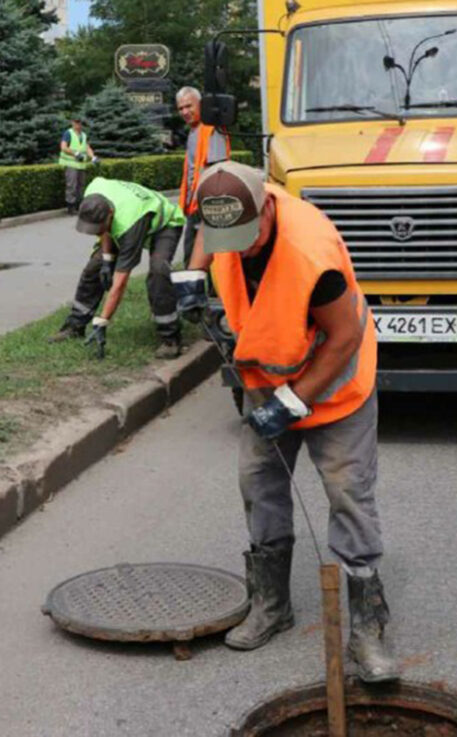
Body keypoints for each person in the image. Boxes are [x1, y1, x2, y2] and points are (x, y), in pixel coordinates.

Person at [171, 161, 399, 683]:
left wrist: (293, 403)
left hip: (334, 386)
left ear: (268, 206)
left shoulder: (311, 254)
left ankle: (368, 627)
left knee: (346, 491)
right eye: (230, 238)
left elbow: (345, 337)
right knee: (257, 482)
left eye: (248, 236)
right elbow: (208, 232)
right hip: (264, 377)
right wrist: (190, 273)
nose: (242, 248)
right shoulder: (227, 209)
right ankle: (272, 604)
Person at [49, 178, 186, 359]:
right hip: (125, 218)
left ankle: (170, 339)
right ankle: (74, 326)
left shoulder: (130, 222)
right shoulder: (94, 191)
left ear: (111, 214)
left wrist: (103, 320)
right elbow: (105, 230)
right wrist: (106, 259)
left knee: (158, 271)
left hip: (165, 224)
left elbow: (120, 282)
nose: (96, 232)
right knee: (93, 268)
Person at [176, 87, 230, 263]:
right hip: (194, 207)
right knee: (192, 258)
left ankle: (213, 291)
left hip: (209, 205)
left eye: (188, 106)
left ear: (200, 105)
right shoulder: (194, 131)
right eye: (180, 108)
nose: (184, 111)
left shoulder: (211, 130)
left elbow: (217, 171)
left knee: (211, 260)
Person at [60, 117, 98, 213]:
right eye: (76, 123)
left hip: (81, 165)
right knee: (71, 186)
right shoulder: (68, 133)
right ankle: (70, 207)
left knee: (81, 186)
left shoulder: (83, 135)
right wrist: (75, 153)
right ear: (72, 123)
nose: (78, 125)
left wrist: (93, 157)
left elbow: (87, 147)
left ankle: (78, 205)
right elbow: (63, 147)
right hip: (71, 164)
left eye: (80, 123)